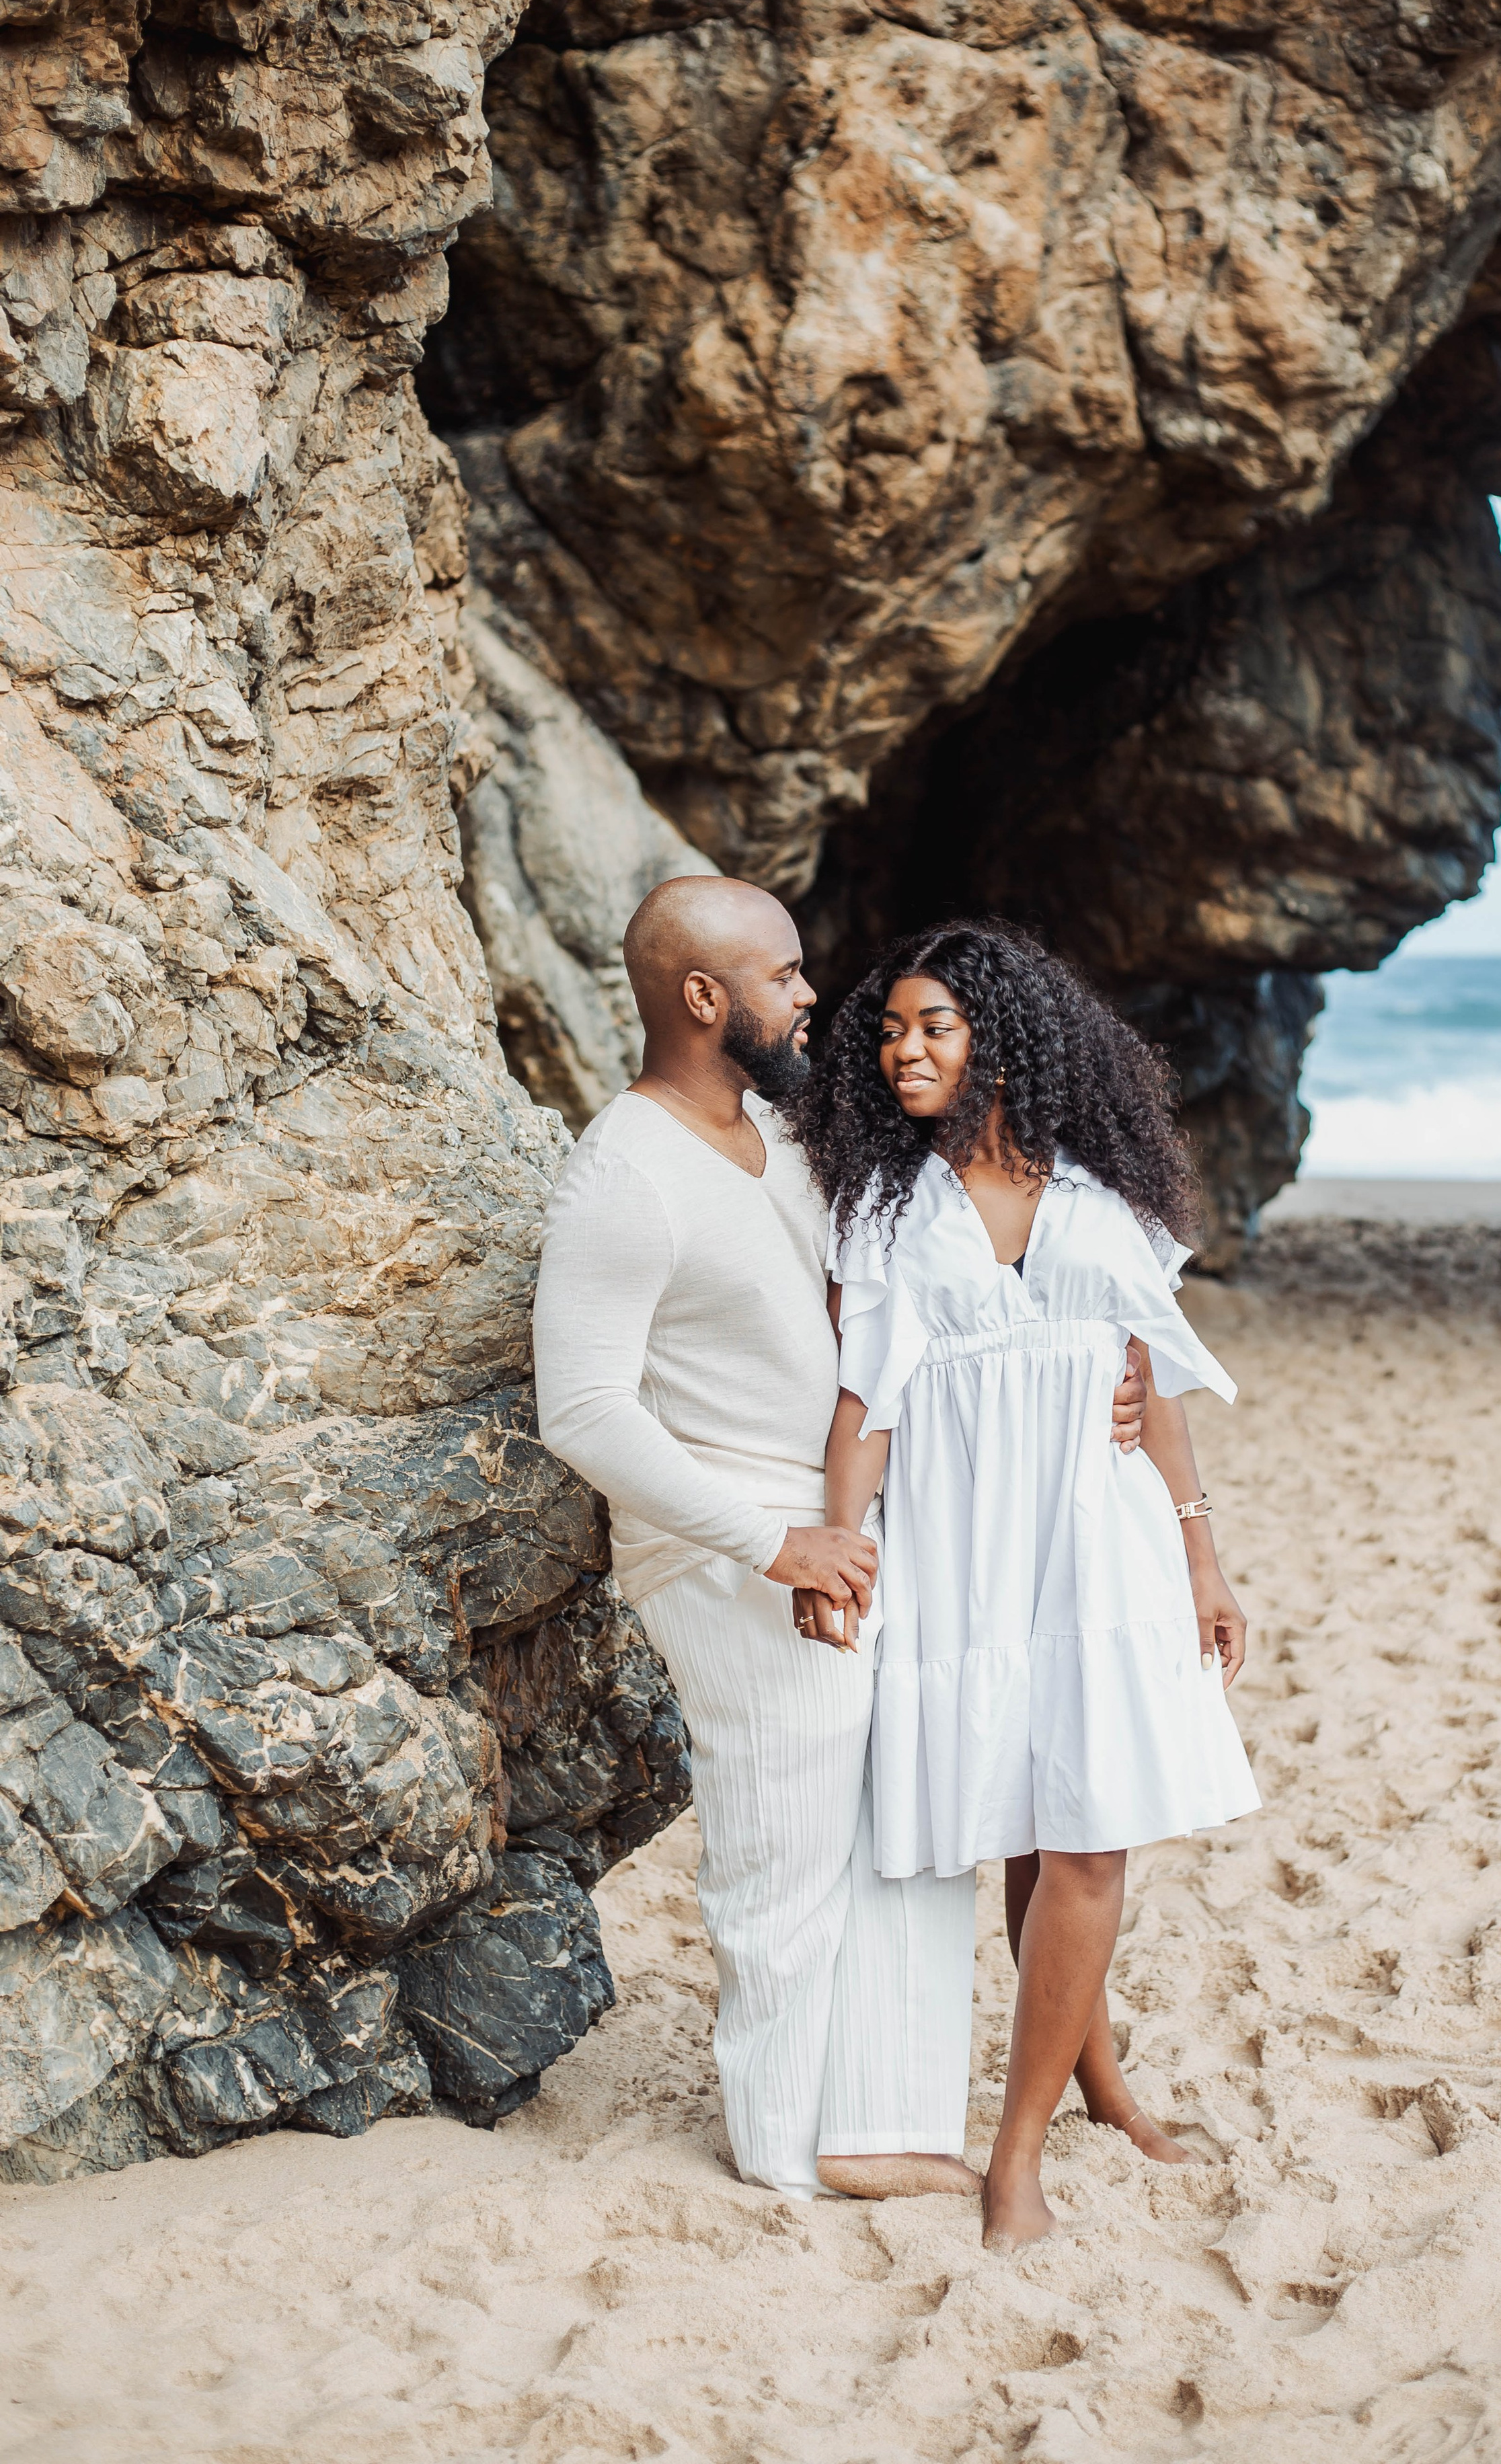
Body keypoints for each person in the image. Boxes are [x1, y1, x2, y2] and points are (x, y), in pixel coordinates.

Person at [531, 878, 1151, 2202]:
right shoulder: (622, 1173)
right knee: (785, 1833)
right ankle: (777, 2146)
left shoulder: (778, 1131)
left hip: (845, 1524)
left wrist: (1097, 1365)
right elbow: (582, 1409)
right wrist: (774, 1544)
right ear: (706, 998)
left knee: (905, 1807)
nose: (814, 995)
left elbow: (930, 1272)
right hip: (726, 1545)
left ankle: (881, 2123)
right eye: (785, 973)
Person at [786, 918, 1261, 2247]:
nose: (902, 1050)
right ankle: (1101, 2079)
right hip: (962, 1542)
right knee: (1027, 1815)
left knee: (1090, 1830)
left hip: (1096, 1538)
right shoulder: (883, 1203)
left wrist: (1198, 1552)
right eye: (887, 1030)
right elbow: (861, 1403)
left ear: (1003, 1038)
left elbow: (1150, 1379)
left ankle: (1015, 2157)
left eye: (932, 1026)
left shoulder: (1102, 1195)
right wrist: (837, 1547)